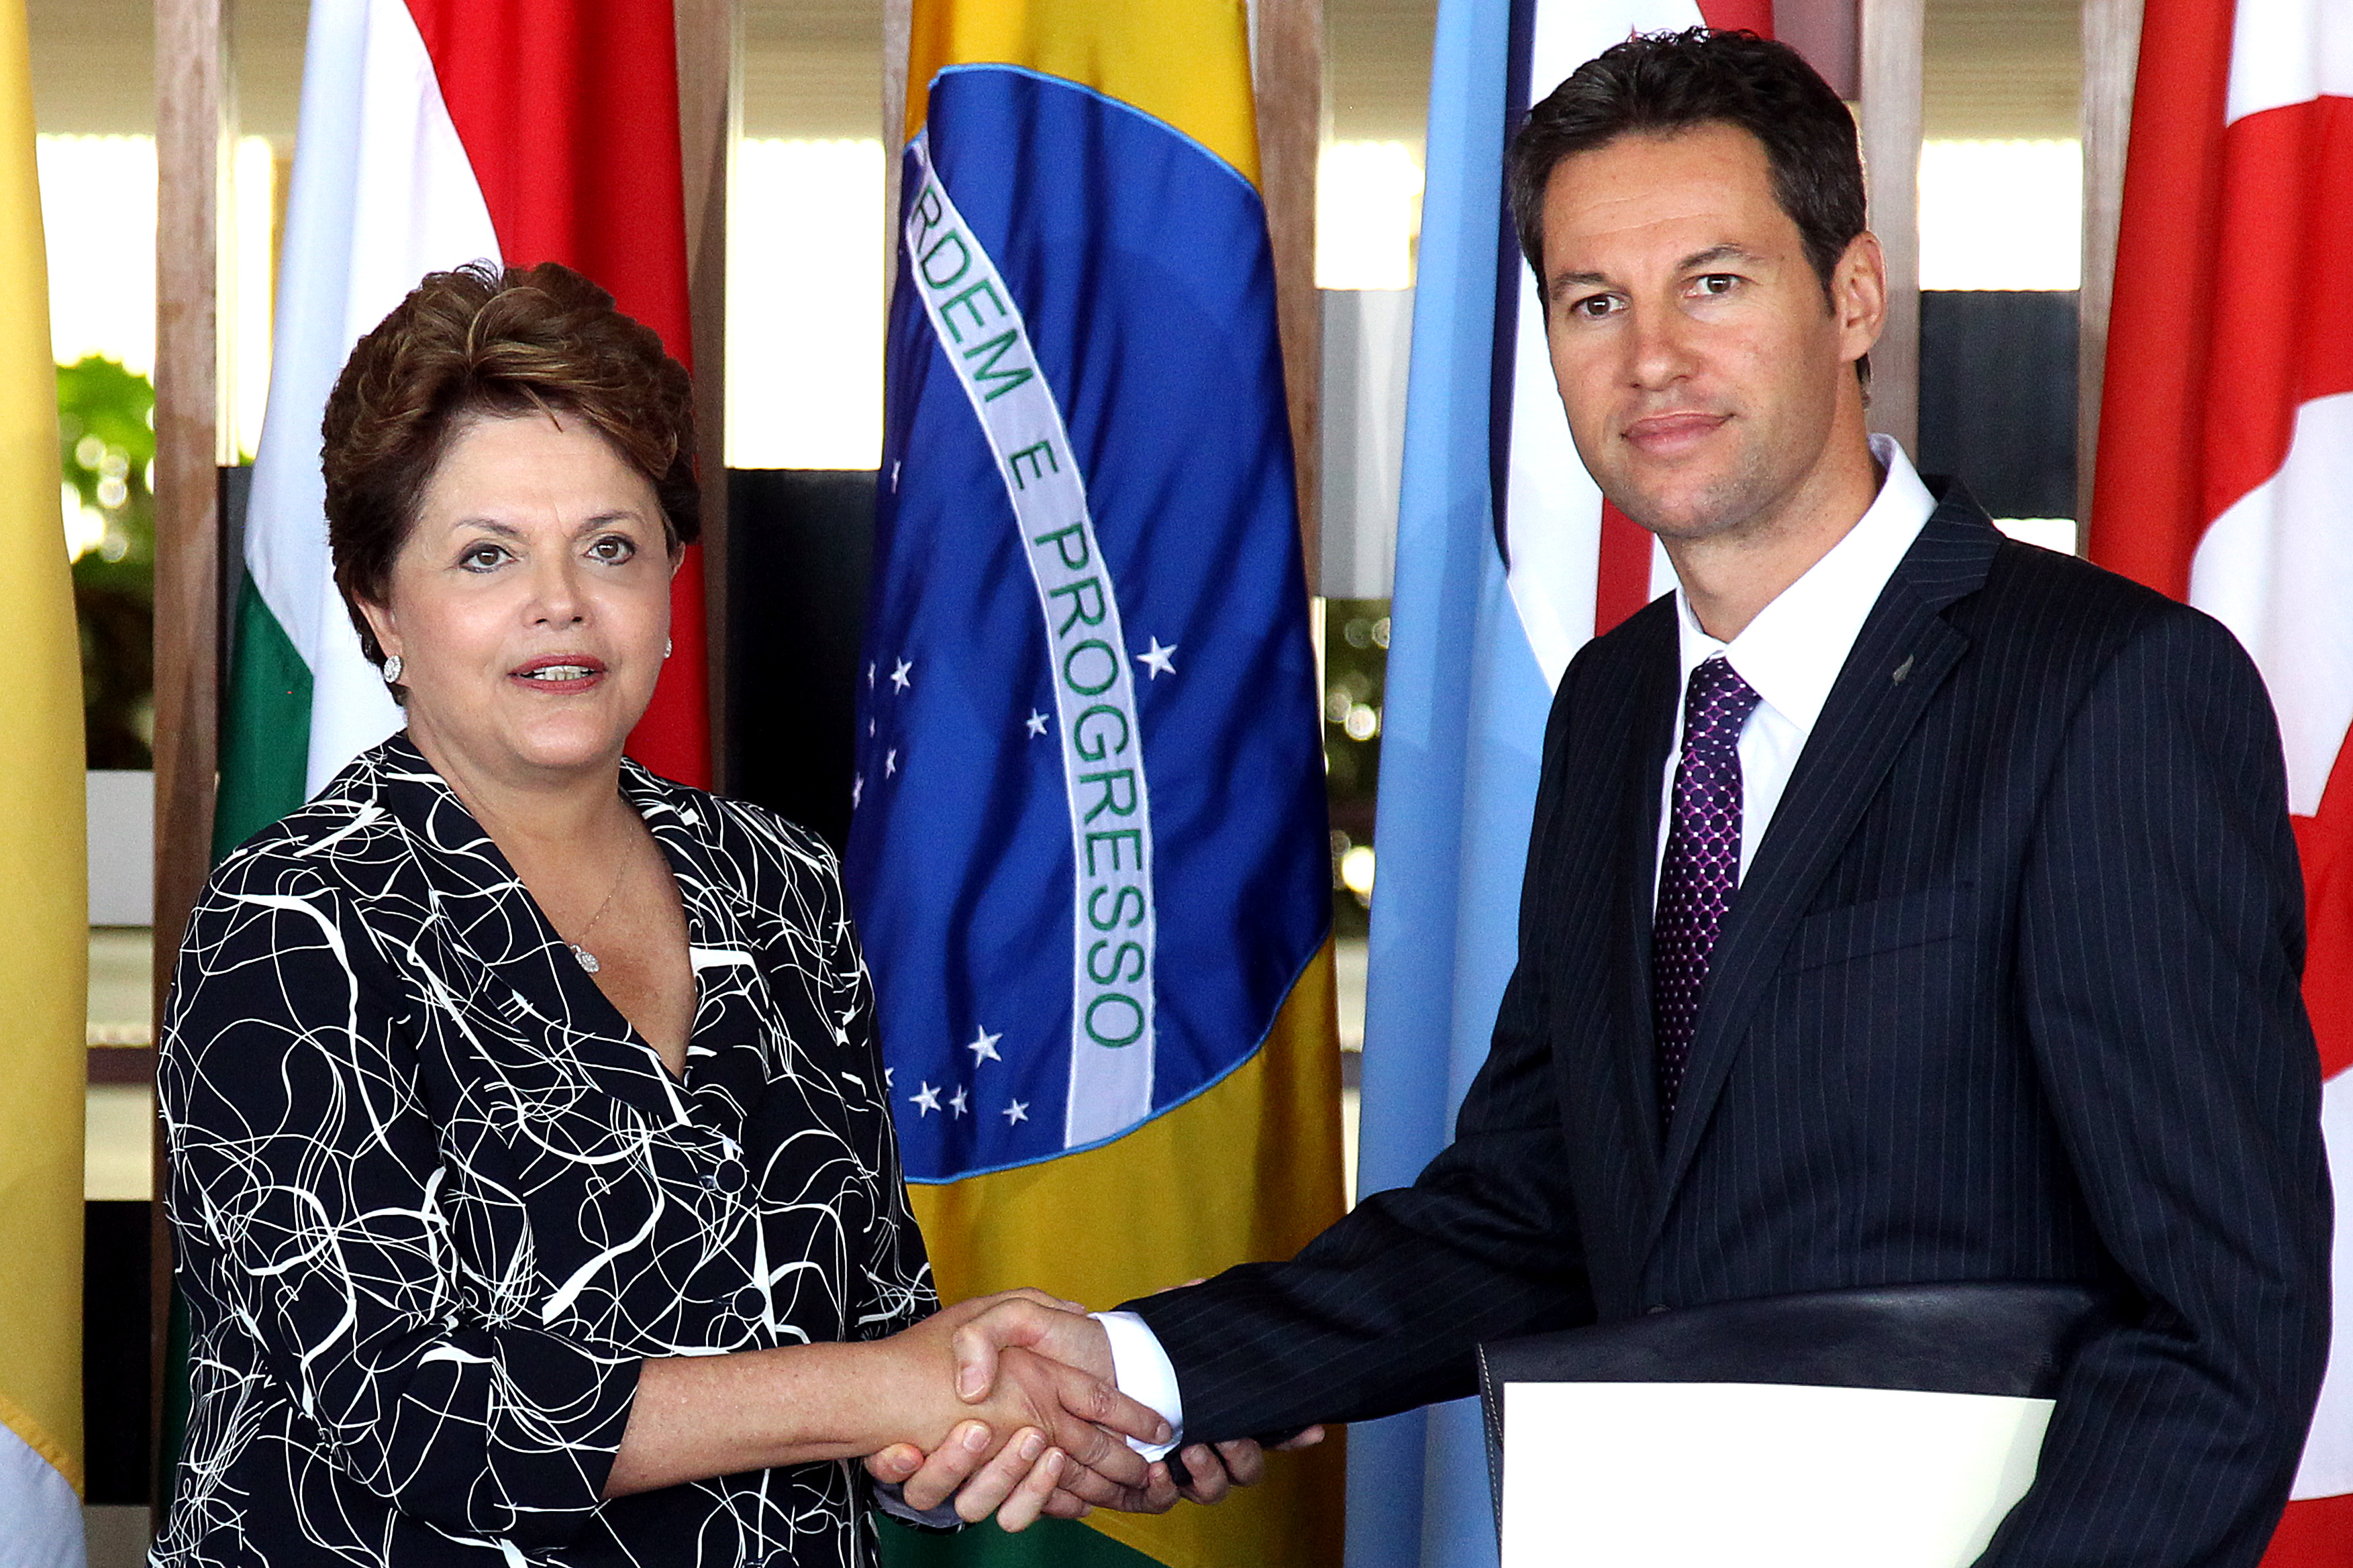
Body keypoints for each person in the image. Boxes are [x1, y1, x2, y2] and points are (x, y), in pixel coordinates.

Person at [941, 29, 2335, 1563]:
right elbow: (1530, 1207)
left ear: (1852, 295)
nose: (1651, 358)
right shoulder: (1613, 705)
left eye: (1712, 282)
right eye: (1592, 300)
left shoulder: (2109, 690)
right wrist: (1141, 1367)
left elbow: (2222, 1318)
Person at [152, 260, 1172, 1568]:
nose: (562, 601)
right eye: (486, 554)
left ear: (670, 582)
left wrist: (1071, 1418)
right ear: (380, 604)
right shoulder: (292, 922)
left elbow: (877, 1328)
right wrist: (887, 1387)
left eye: (611, 546)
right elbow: (412, 1412)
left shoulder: (781, 883)